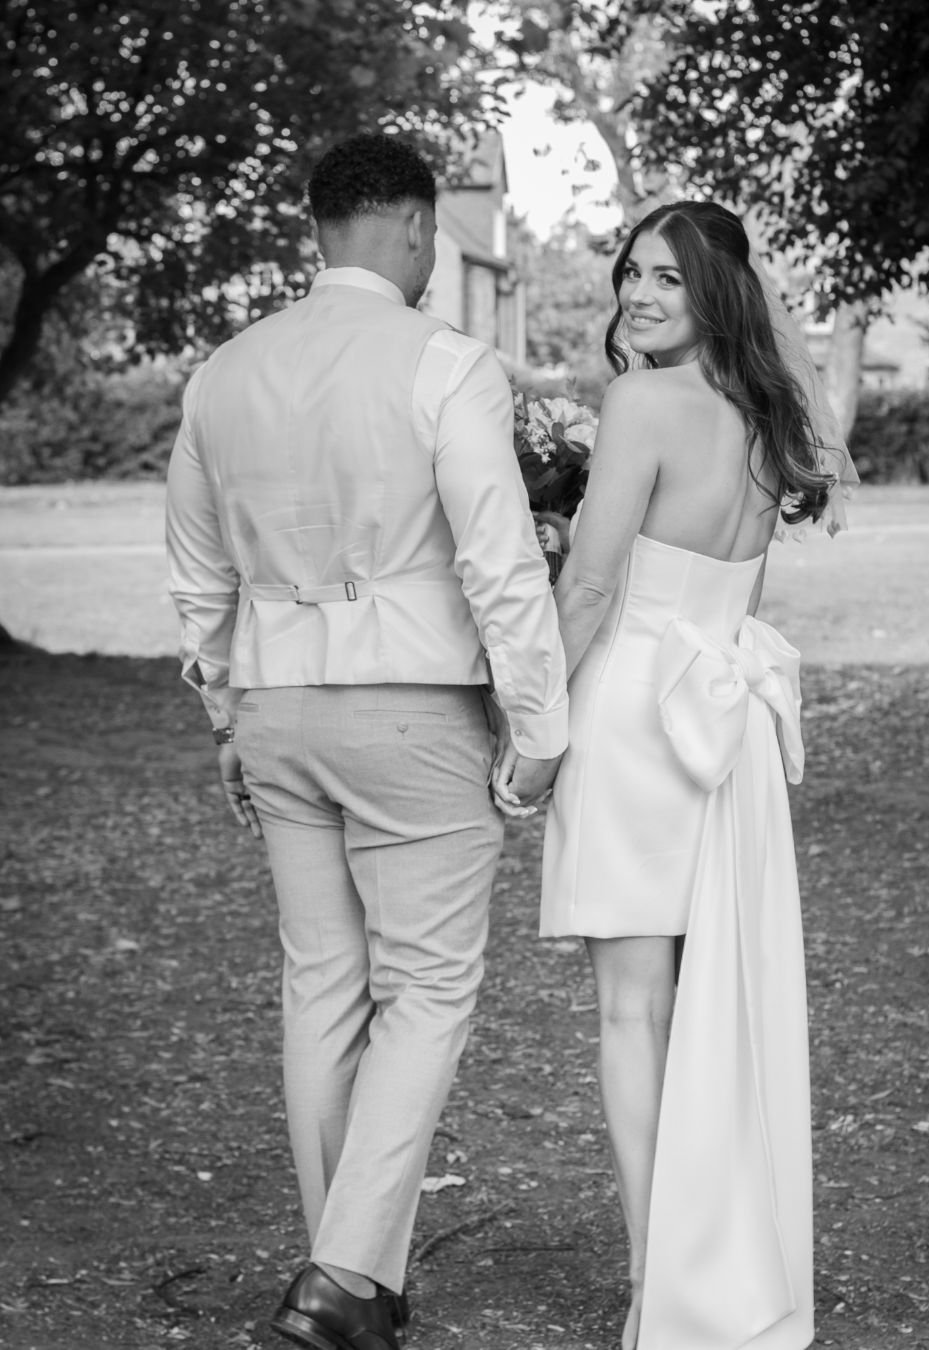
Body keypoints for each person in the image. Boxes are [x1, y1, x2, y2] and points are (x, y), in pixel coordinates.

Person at [166, 133, 568, 1350]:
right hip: (409, 709)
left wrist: (228, 713)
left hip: (280, 707)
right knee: (429, 987)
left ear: (316, 226)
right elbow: (499, 561)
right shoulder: (447, 363)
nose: (431, 254)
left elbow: (195, 579)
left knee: (323, 987)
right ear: (406, 226)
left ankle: (350, 1278)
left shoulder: (222, 375)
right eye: (432, 235)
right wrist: (540, 723)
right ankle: (341, 1282)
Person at [494, 201, 857, 1350]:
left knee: (633, 1013)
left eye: (665, 279)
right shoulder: (771, 415)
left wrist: (534, 734)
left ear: (715, 294)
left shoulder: (642, 402)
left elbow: (592, 590)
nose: (637, 297)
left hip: (642, 717)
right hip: (727, 724)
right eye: (630, 275)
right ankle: (721, 1262)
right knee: (718, 1009)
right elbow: (739, 595)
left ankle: (660, 1281)